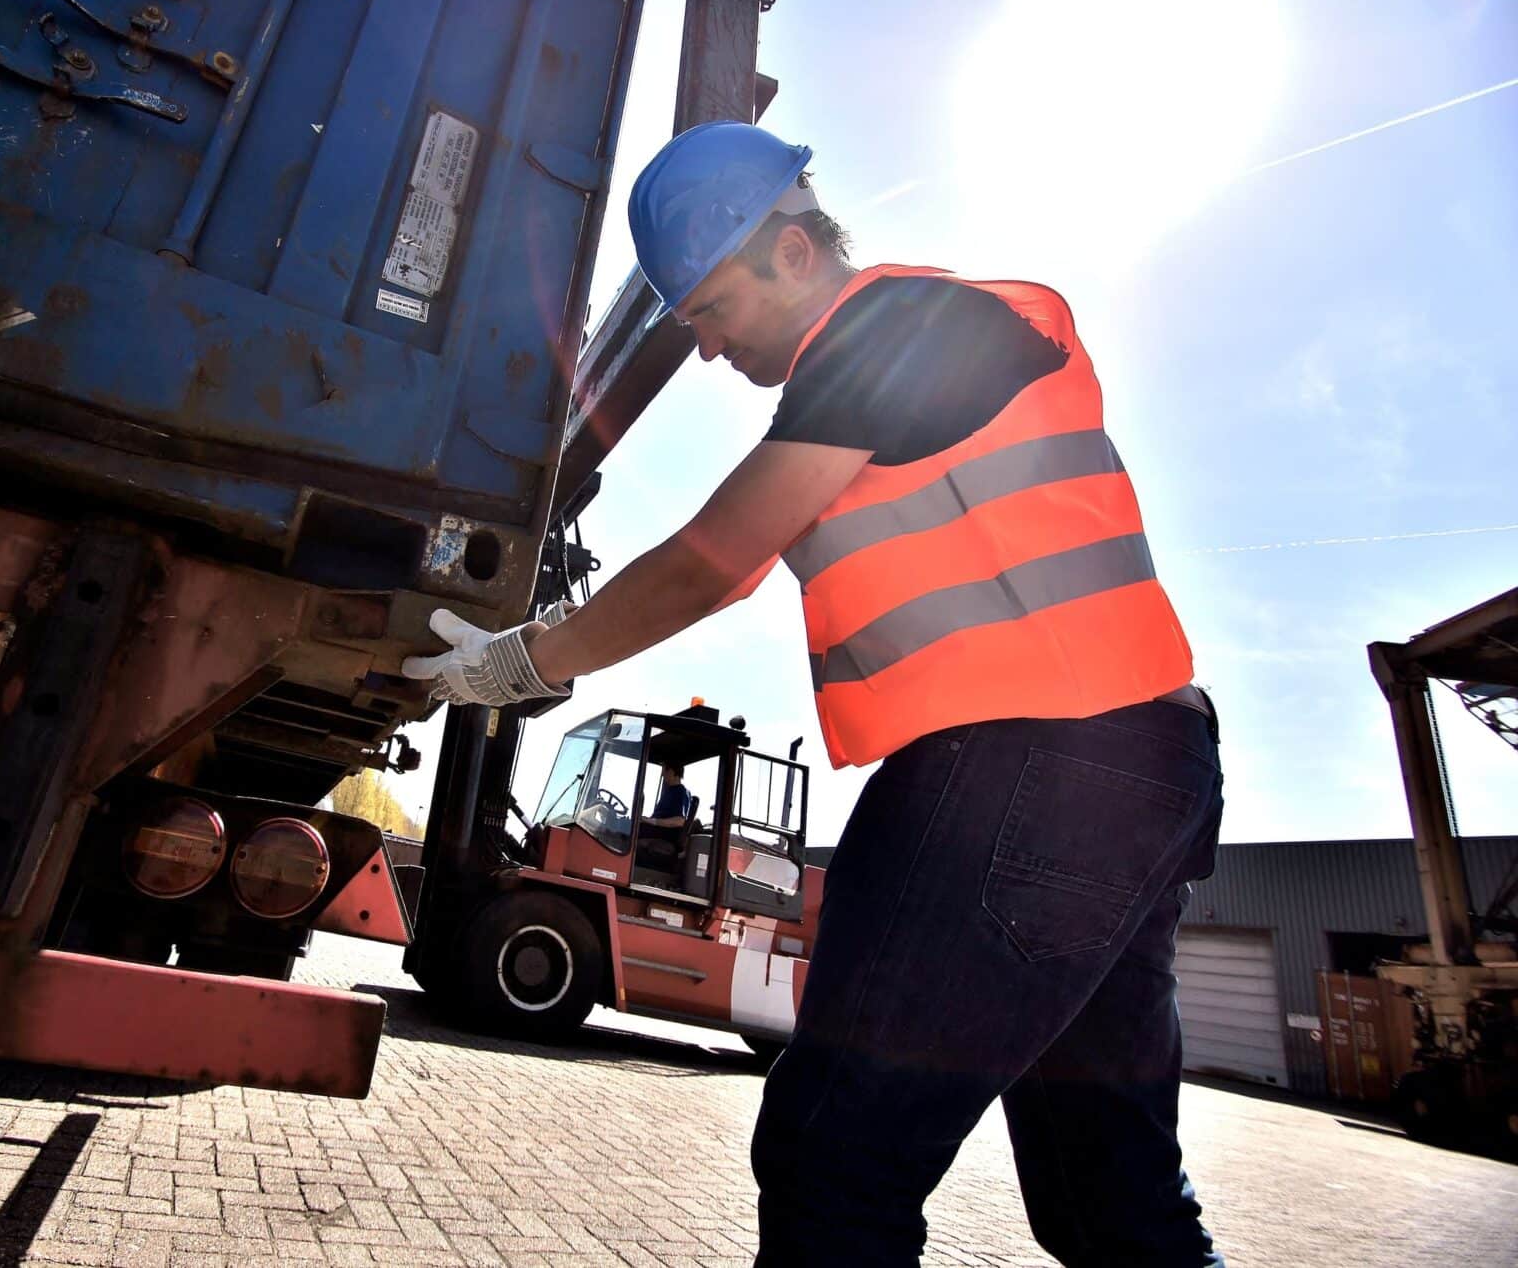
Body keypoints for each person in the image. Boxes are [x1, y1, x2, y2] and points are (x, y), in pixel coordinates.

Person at [403, 120, 1225, 1267]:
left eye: (713, 312)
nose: (704, 349)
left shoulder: (893, 331)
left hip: (1023, 772)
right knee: (1113, 1200)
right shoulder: (920, 346)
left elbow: (714, 559)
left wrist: (525, 660)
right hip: (1133, 772)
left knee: (836, 1159)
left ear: (792, 254)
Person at [640, 764, 692, 835]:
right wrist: (645, 820)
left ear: (671, 772)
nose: (662, 775)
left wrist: (652, 821)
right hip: (655, 829)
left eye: (664, 771)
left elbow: (679, 821)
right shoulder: (668, 791)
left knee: (633, 829)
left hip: (665, 833)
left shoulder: (681, 792)